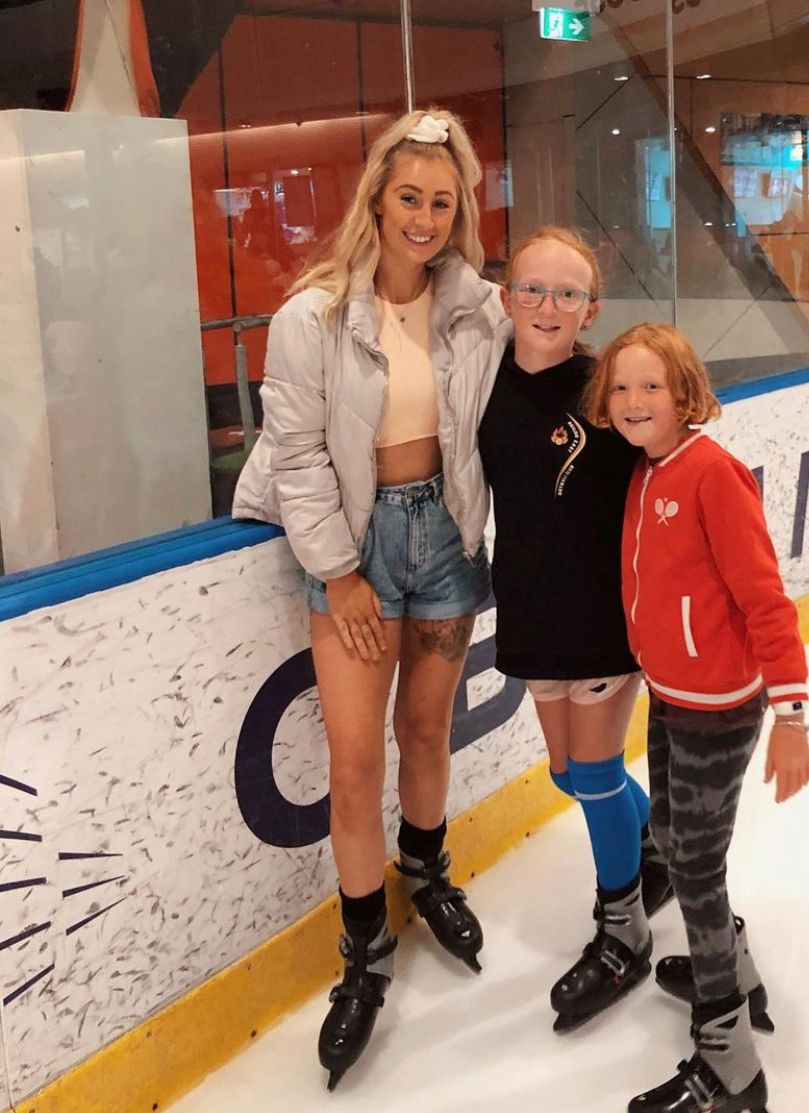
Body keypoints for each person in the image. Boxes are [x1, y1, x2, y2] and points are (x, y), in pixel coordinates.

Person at [233, 107, 506, 1091]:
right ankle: (363, 955)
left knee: (429, 732)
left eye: (443, 200)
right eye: (409, 197)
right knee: (355, 765)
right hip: (353, 549)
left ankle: (425, 873)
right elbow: (299, 455)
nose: (425, 218)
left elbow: (524, 406)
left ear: (458, 209)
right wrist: (340, 572)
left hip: (444, 542)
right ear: (377, 199)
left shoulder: (481, 310)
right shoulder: (310, 315)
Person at [584, 323, 809, 1113]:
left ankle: (729, 1066)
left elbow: (764, 598)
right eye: (619, 387)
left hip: (719, 709)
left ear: (685, 394)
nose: (633, 401)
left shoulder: (712, 474)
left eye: (651, 386)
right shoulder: (647, 471)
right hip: (669, 693)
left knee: (694, 868)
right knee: (677, 847)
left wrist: (791, 716)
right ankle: (734, 967)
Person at [477, 228, 672, 1034]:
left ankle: (622, 929)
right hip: (528, 606)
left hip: (602, 614)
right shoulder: (479, 385)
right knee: (567, 772)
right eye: (532, 289)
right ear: (505, 297)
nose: (547, 307)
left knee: (592, 773)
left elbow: (673, 461)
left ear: (590, 308)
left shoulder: (607, 388)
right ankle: (653, 847)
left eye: (567, 294)